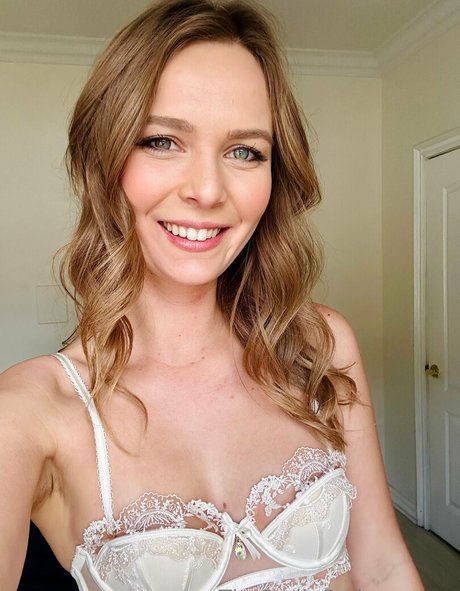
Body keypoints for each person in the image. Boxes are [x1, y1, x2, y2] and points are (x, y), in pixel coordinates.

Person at [0, 1, 424, 590]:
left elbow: (382, 566)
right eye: (161, 141)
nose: (206, 189)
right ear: (105, 160)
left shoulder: (319, 345)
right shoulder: (29, 413)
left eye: (244, 151)